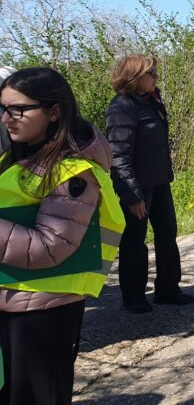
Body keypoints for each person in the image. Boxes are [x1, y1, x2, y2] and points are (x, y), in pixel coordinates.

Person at [0, 67, 125, 405]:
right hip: (14, 300)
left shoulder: (73, 172)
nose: (7, 118)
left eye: (19, 109)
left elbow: (51, 246)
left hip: (44, 310)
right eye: (3, 108)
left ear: (54, 111)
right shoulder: (18, 157)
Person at [106, 54, 193, 313]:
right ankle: (134, 297)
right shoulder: (122, 107)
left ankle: (167, 289)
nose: (155, 76)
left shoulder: (151, 101)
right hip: (137, 186)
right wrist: (132, 196)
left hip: (159, 181)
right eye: (150, 73)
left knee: (167, 233)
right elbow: (118, 156)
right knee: (134, 240)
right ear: (133, 78)